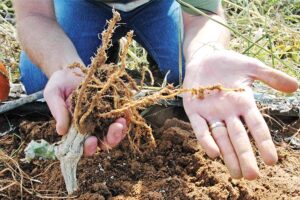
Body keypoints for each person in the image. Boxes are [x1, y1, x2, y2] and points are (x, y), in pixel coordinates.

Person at [14, 0, 298, 180]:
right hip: (81, 5)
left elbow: (205, 14)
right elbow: (34, 14)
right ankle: (99, 60)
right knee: (42, 82)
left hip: (157, 5)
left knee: (195, 79)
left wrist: (204, 52)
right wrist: (66, 67)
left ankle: (162, 60)